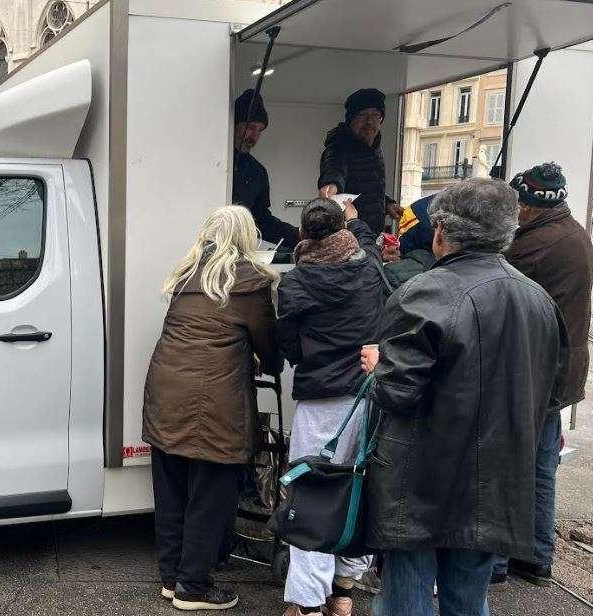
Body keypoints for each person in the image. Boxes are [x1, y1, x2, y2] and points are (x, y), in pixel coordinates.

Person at [360, 178, 567, 616]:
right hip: (496, 481)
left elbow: (396, 393)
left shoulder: (425, 292)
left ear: (440, 232)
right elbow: (550, 389)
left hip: (420, 483)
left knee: (405, 601)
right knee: (469, 601)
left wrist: (378, 365)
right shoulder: (539, 300)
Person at [143, 205, 281, 611]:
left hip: (165, 395)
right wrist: (265, 361)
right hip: (215, 406)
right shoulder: (251, 281)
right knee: (209, 497)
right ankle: (193, 588)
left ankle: (171, 579)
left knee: (171, 492)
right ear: (246, 237)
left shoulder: (186, 274)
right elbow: (269, 350)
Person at [275, 198, 383, 616]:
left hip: (319, 399)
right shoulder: (370, 268)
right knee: (358, 488)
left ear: (303, 235)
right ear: (344, 230)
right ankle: (343, 593)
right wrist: (355, 218)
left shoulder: (295, 283)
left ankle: (306, 604)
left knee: (312, 495)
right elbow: (367, 241)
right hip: (367, 396)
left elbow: (288, 346)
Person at [494, 162, 593, 587]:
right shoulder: (573, 233)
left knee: (508, 463)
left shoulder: (536, 245)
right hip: (559, 369)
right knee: (540, 465)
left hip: (534, 369)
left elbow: (493, 277)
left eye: (519, 203)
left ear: (534, 205)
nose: (515, 210)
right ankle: (535, 557)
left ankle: (497, 561)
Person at [318, 88, 401, 234]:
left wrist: (387, 204)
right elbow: (334, 169)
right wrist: (331, 185)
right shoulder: (339, 147)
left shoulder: (374, 147)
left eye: (375, 115)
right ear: (351, 119)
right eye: (362, 115)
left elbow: (365, 187)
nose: (369, 122)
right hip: (350, 235)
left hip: (371, 233)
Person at [232, 89, 300, 249]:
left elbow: (262, 220)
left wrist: (298, 234)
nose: (254, 136)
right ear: (234, 124)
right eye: (251, 127)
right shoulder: (211, 163)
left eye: (260, 130)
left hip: (238, 249)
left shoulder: (257, 172)